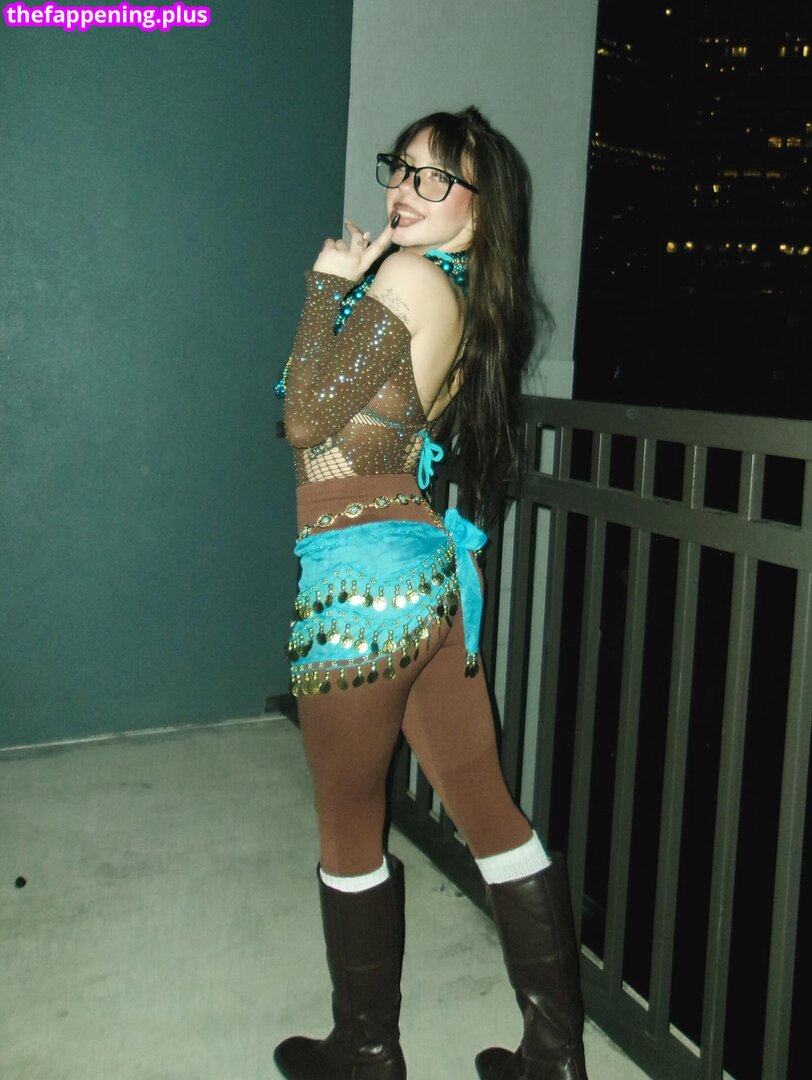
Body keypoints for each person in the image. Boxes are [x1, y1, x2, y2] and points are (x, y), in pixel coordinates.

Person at [273, 106, 588, 1080]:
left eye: (434, 178)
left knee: (347, 823)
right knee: (489, 809)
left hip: (359, 585)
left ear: (479, 212)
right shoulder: (457, 295)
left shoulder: (406, 278)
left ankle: (367, 1052)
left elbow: (303, 419)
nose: (405, 192)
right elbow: (362, 429)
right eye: (401, 170)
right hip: (425, 575)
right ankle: (554, 1056)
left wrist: (328, 284)